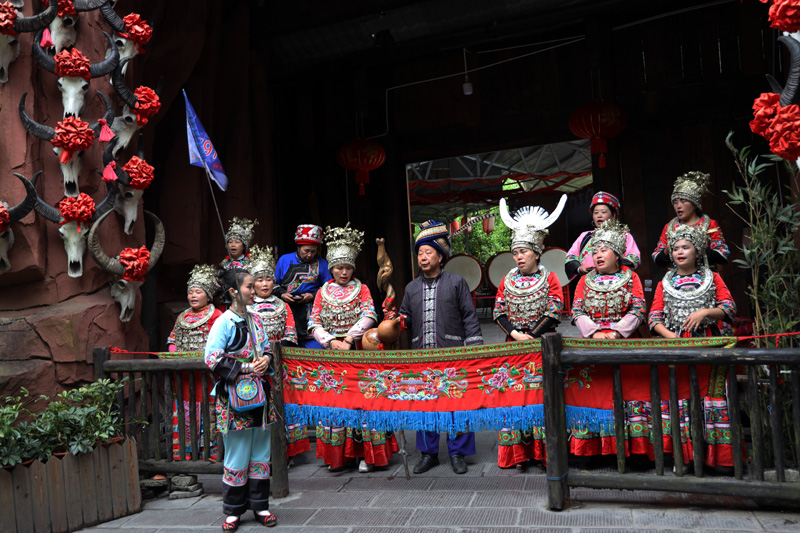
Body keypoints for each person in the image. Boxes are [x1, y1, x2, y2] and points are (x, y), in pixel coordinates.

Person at [396, 220, 484, 475]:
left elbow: (469, 317)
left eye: (428, 252)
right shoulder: (411, 287)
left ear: (440, 255)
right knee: (425, 403)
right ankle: (428, 453)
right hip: (422, 354)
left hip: (452, 352)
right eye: (420, 253)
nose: (423, 258)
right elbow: (404, 318)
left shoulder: (456, 282)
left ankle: (457, 453)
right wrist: (396, 320)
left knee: (456, 401)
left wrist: (474, 351)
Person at [308, 223, 397, 473]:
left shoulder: (363, 289)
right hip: (332, 354)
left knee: (362, 401)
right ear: (331, 268)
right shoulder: (322, 292)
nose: (343, 272)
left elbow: (370, 315)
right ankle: (339, 457)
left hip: (358, 350)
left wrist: (348, 338)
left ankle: (365, 455)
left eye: (348, 268)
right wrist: (329, 341)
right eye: (338, 268)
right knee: (336, 402)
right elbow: (313, 322)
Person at [648, 223, 737, 468]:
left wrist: (706, 312)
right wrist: (671, 338)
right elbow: (654, 318)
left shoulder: (713, 277)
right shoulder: (664, 282)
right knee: (681, 400)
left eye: (685, 247)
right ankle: (684, 456)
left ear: (697, 251)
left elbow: (729, 308)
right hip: (677, 347)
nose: (679, 252)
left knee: (711, 399)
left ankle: (718, 459)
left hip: (709, 344)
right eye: (675, 248)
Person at [494, 197, 565, 470]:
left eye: (524, 251)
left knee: (541, 397)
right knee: (514, 398)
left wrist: (531, 336)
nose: (519, 257)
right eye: (515, 252)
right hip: (513, 347)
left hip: (542, 345)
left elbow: (555, 309)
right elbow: (499, 311)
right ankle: (517, 454)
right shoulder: (507, 279)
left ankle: (545, 454)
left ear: (537, 252)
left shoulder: (550, 278)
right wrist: (515, 334)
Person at [205, 269, 276, 530]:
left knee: (261, 450)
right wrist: (247, 368)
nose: (253, 290)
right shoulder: (223, 322)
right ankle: (233, 511)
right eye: (248, 286)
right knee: (236, 452)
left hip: (259, 394)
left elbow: (267, 348)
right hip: (234, 397)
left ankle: (261, 505)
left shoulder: (256, 319)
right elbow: (212, 358)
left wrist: (266, 360)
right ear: (234, 292)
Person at [247, 244, 310, 461]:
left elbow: (291, 331)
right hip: (255, 366)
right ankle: (261, 452)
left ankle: (286, 451)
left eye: (269, 279)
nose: (265, 284)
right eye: (260, 280)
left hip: (281, 364)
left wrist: (280, 350)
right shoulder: (246, 308)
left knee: (282, 404)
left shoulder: (283, 305)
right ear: (252, 285)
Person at [166, 264, 222, 460]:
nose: (193, 295)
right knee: (185, 410)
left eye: (198, 291)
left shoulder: (216, 316)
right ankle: (185, 453)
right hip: (184, 374)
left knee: (208, 408)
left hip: (206, 374)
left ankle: (210, 452)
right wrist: (175, 355)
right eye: (191, 292)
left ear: (208, 295)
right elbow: (172, 339)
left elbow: (222, 341)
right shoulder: (182, 316)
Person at [571, 219, 647, 341]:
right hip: (593, 339)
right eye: (595, 252)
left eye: (604, 251)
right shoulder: (585, 280)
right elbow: (577, 310)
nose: (598, 255)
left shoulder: (631, 277)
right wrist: (594, 332)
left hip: (624, 339)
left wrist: (617, 333)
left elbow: (639, 308)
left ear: (617, 255)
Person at [652, 171, 730, 268]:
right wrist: (668, 250)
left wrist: (698, 249)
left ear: (695, 204)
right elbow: (657, 258)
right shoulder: (669, 227)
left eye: (683, 201)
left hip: (705, 275)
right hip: (676, 278)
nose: (678, 206)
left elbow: (723, 255)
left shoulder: (710, 224)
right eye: (675, 202)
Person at [273, 224, 333, 348]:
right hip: (287, 307)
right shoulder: (284, 260)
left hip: (311, 309)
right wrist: (282, 294)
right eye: (306, 251)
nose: (310, 255)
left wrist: (312, 295)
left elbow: (329, 287)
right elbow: (273, 283)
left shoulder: (321, 263)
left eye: (313, 251)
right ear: (298, 247)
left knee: (315, 349)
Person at [565, 191, 641, 281]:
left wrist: (612, 267)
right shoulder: (585, 236)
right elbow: (570, 257)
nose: (599, 216)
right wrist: (579, 269)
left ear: (613, 215)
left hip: (617, 281)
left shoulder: (623, 235)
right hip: (588, 281)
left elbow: (633, 257)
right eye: (596, 212)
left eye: (603, 212)